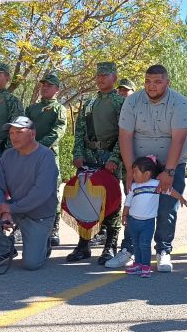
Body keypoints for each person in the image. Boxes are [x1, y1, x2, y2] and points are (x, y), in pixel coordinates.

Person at [116, 64, 187, 272]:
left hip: (171, 160)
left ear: (167, 82)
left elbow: (178, 140)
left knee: (167, 207)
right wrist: (131, 172)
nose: (152, 86)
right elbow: (125, 137)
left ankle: (163, 250)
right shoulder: (132, 101)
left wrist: (168, 172)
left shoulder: (180, 103)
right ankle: (128, 249)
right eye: (148, 81)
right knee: (135, 206)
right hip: (140, 164)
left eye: (158, 81)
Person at [0, 116, 59, 271]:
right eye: (11, 133)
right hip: (16, 208)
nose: (13, 136)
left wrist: (10, 209)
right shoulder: (8, 155)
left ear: (32, 133)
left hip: (38, 215)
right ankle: (5, 250)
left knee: (31, 264)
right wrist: (2, 209)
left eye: (19, 132)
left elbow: (40, 193)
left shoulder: (46, 156)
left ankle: (44, 242)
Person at [68, 62, 125, 265]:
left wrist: (115, 158)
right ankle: (84, 244)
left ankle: (110, 245)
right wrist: (77, 154)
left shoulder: (120, 103)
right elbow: (80, 133)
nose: (100, 78)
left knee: (112, 203)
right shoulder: (90, 103)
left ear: (114, 78)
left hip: (109, 159)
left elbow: (124, 134)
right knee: (87, 201)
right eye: (98, 75)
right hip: (89, 159)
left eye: (105, 75)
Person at [122, 156, 187, 278]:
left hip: (147, 223)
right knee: (136, 243)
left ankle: (146, 267)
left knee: (144, 244)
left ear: (147, 174)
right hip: (133, 221)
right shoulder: (133, 186)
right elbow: (128, 202)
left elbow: (170, 191)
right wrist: (124, 215)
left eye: (135, 172)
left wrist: (181, 198)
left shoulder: (156, 185)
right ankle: (137, 264)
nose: (132, 175)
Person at [25, 73, 68, 247]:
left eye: (49, 85)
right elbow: (24, 127)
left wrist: (38, 147)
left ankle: (53, 228)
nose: (45, 87)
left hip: (49, 155)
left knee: (52, 191)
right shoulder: (32, 109)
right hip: (28, 154)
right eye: (43, 85)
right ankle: (23, 226)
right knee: (26, 188)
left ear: (57, 90)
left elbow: (57, 131)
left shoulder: (59, 109)